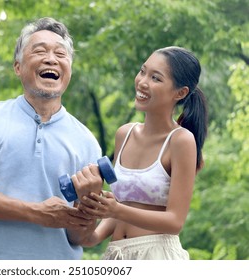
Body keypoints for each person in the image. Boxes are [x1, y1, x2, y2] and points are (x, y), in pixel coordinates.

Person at [0, 17, 102, 260]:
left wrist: (86, 208)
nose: (51, 59)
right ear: (17, 67)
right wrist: (36, 212)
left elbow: (80, 238)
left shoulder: (87, 142)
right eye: (40, 51)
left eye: (61, 54)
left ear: (69, 69)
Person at [77, 46, 208, 260]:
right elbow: (121, 206)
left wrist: (115, 210)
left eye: (156, 78)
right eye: (142, 71)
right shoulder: (124, 133)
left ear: (180, 92)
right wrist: (92, 227)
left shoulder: (181, 140)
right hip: (115, 255)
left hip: (157, 255)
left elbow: (175, 222)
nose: (142, 82)